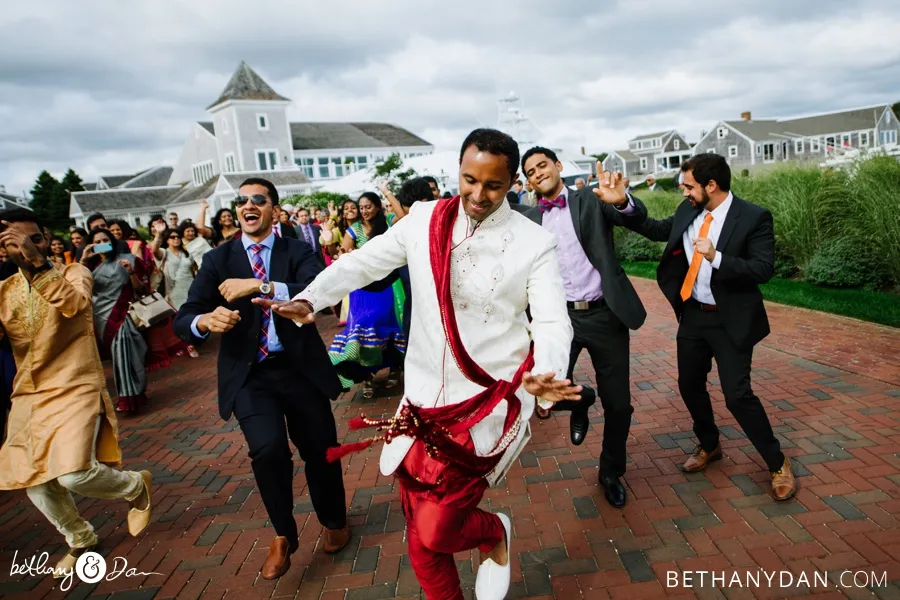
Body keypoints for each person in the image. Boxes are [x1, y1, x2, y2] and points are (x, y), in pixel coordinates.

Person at [255, 129, 579, 600]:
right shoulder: (426, 219)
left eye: (493, 185)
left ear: (513, 183)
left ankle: (491, 532)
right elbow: (363, 263)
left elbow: (552, 318)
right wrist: (311, 298)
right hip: (421, 399)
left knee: (436, 529)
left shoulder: (534, 242)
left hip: (484, 403)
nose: (478, 195)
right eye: (469, 180)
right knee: (422, 534)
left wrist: (548, 369)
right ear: (458, 170)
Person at [174, 177, 350, 580]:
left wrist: (262, 284)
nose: (248, 205)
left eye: (258, 199)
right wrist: (205, 319)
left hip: (300, 370)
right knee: (268, 451)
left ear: (274, 209)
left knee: (321, 451)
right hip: (250, 377)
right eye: (241, 201)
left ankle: (334, 519)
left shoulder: (297, 249)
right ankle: (283, 535)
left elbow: (318, 289)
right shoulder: (218, 259)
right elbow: (186, 315)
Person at [626, 153, 795, 501]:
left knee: (737, 396)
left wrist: (716, 257)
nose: (685, 192)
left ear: (711, 185)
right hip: (694, 316)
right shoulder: (689, 210)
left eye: (689, 186)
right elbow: (658, 229)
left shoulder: (753, 217)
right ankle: (709, 444)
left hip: (730, 319)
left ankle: (777, 462)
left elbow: (762, 269)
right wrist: (624, 206)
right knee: (689, 385)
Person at [0, 209, 153, 575]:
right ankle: (81, 540)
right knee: (32, 480)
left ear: (46, 239)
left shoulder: (73, 272)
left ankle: (134, 486)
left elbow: (76, 306)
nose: (27, 248)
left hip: (74, 383)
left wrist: (38, 266)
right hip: (28, 393)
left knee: (73, 474)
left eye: (34, 239)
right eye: (14, 243)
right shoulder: (4, 291)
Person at [522, 147, 648, 508]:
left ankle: (610, 471)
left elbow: (633, 216)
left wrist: (623, 201)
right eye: (530, 171)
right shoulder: (529, 218)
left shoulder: (590, 201)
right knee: (540, 393)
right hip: (560, 319)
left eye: (542, 165)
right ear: (527, 181)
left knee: (620, 406)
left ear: (558, 166)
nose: (538, 173)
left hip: (604, 314)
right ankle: (582, 400)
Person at [331, 192, 407, 398]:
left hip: (387, 285)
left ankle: (395, 370)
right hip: (362, 287)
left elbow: (403, 216)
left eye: (368, 207)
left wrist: (387, 192)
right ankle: (367, 378)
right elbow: (344, 251)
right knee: (362, 327)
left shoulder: (389, 222)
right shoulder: (354, 230)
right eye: (361, 207)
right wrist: (341, 253)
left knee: (389, 325)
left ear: (377, 207)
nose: (364, 211)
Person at [81, 228, 151, 412]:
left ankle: (133, 396)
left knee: (130, 355)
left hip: (123, 315)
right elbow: (77, 290)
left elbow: (142, 290)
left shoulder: (126, 259)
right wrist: (83, 259)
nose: (102, 243)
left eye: (106, 239)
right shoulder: (88, 267)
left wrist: (130, 272)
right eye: (98, 241)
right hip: (101, 318)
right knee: (117, 359)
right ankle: (128, 396)